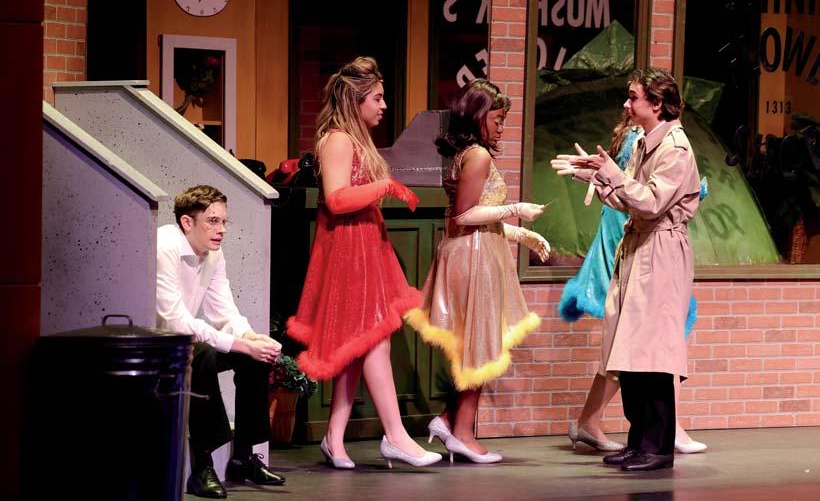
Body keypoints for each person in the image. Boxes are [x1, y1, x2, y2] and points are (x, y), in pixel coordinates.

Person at [287, 56, 442, 469]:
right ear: (355, 100)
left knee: (361, 343)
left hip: (363, 246)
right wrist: (384, 185)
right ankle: (396, 436)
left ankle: (334, 437)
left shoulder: (353, 140)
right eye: (377, 98)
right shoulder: (338, 140)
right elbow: (337, 200)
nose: (384, 105)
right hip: (348, 250)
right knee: (374, 337)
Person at [551, 68, 701, 471]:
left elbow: (651, 202)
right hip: (639, 246)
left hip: (661, 251)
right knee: (631, 347)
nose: (627, 104)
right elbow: (628, 200)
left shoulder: (675, 148)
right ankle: (639, 442)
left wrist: (613, 175)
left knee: (653, 351)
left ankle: (657, 448)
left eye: (633, 97)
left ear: (657, 103)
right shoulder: (644, 141)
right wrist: (596, 177)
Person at [404, 79, 548, 463]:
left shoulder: (468, 153)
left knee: (476, 343)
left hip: (476, 250)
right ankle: (463, 434)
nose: (501, 128)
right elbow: (464, 215)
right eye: (497, 119)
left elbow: (479, 218)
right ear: (478, 116)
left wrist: (522, 235)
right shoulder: (477, 155)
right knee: (480, 346)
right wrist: (516, 209)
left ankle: (448, 421)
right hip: (473, 257)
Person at [156, 185, 285, 499]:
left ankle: (243, 457)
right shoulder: (164, 246)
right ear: (187, 222)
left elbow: (222, 310)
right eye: (213, 221)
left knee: (253, 355)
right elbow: (175, 321)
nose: (222, 229)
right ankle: (202, 466)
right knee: (201, 354)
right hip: (154, 345)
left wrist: (250, 338)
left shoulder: (213, 252)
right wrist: (239, 344)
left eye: (224, 221)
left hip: (185, 339)